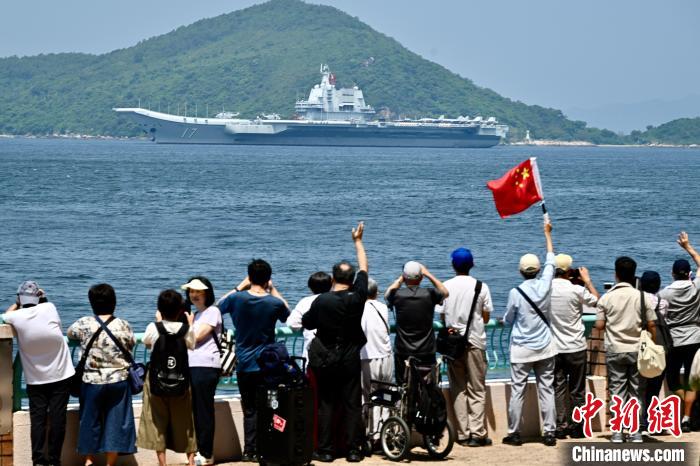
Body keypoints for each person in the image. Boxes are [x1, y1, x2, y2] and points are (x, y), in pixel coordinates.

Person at [302, 222, 368, 463]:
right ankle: (353, 450)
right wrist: (358, 242)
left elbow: (308, 323)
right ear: (352, 280)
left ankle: (326, 450)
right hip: (350, 356)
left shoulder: (322, 300)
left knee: (326, 403)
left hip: (325, 358)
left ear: (332, 278)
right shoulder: (358, 297)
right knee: (352, 403)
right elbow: (364, 268)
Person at [219, 260, 290, 462]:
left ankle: (249, 450)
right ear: (268, 279)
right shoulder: (274, 303)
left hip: (244, 362)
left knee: (249, 409)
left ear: (249, 277)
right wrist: (273, 289)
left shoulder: (236, 299)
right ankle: (266, 448)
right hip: (268, 365)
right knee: (269, 407)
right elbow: (287, 314)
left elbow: (218, 306)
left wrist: (240, 286)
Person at [2, 281, 74, 466]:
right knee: (58, 419)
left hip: (35, 379)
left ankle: (39, 461)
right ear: (38, 297)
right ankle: (55, 460)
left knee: (38, 421)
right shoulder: (49, 308)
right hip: (62, 374)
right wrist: (42, 296)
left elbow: (4, 317)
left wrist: (17, 303)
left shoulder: (16, 317)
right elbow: (46, 307)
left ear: (20, 298)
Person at [67, 283, 137, 466]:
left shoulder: (84, 323)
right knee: (116, 423)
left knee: (89, 421)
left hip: (91, 380)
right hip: (119, 380)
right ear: (114, 302)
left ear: (92, 303)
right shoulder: (124, 324)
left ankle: (89, 460)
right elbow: (131, 343)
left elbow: (70, 333)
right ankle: (110, 463)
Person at [502, 220, 557, 447]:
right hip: (545, 346)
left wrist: (505, 320)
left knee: (518, 391)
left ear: (521, 271)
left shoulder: (515, 292)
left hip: (522, 349)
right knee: (547, 389)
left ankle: (514, 433)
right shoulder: (545, 285)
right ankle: (549, 433)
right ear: (538, 270)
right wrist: (547, 234)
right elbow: (551, 260)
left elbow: (508, 319)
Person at [436, 247, 493, 447]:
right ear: (472, 265)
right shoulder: (481, 286)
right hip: (475, 341)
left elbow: (442, 316)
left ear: (453, 265)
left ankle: (462, 433)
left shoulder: (445, 286)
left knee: (458, 388)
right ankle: (478, 433)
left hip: (453, 344)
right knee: (477, 388)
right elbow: (486, 317)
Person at [595, 257, 656, 443]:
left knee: (617, 391)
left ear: (616, 274)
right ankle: (635, 432)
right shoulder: (642, 297)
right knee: (637, 392)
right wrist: (652, 341)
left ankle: (617, 432)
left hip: (615, 349)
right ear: (634, 275)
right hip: (637, 350)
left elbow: (599, 325)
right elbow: (652, 324)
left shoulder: (606, 298)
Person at [138, 289, 197, 466]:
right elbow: (192, 345)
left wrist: (158, 322)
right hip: (180, 380)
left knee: (157, 421)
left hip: (156, 381)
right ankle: (191, 461)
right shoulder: (186, 330)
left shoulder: (153, 327)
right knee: (185, 422)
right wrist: (190, 324)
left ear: (159, 310)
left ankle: (162, 463)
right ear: (180, 311)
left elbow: (146, 342)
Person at [550, 254, 600, 439]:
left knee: (558, 388)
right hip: (576, 346)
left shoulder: (545, 289)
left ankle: (561, 426)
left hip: (554, 347)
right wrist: (587, 281)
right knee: (577, 389)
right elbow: (597, 301)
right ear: (569, 271)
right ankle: (578, 427)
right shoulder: (576, 290)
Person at [658, 231, 700, 433]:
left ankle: (684, 411)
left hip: (674, 339)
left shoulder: (664, 293)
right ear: (689, 273)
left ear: (672, 273)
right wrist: (688, 247)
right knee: (694, 380)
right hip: (696, 337)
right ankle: (688, 416)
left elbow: (659, 316)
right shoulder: (696, 287)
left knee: (673, 379)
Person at [385, 260, 448, 385]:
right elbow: (445, 292)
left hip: (403, 350)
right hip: (427, 349)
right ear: (421, 277)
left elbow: (387, 294)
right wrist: (428, 274)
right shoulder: (430, 293)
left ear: (404, 277)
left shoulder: (397, 294)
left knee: (403, 385)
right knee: (428, 385)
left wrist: (401, 279)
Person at [182, 276, 222, 466]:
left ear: (207, 293)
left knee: (203, 410)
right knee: (196, 410)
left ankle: (206, 453)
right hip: (193, 365)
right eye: (191, 291)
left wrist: (189, 324)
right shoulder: (196, 315)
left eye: (198, 291)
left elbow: (196, 337)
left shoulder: (212, 312)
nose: (194, 295)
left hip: (206, 366)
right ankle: (199, 450)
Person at [360, 278, 394, 443]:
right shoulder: (382, 307)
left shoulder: (359, 308)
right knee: (385, 394)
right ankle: (385, 431)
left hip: (368, 357)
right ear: (376, 293)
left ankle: (371, 433)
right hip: (386, 355)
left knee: (368, 395)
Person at [638, 270, 670, 435]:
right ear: (658, 285)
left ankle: (640, 423)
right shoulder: (662, 303)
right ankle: (653, 422)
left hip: (640, 347)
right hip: (658, 348)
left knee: (639, 387)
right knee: (654, 388)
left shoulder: (636, 300)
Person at [287, 271, 333, 359]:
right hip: (337, 354)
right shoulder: (338, 300)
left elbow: (292, 324)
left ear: (310, 287)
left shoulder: (305, 302)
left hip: (312, 352)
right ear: (331, 286)